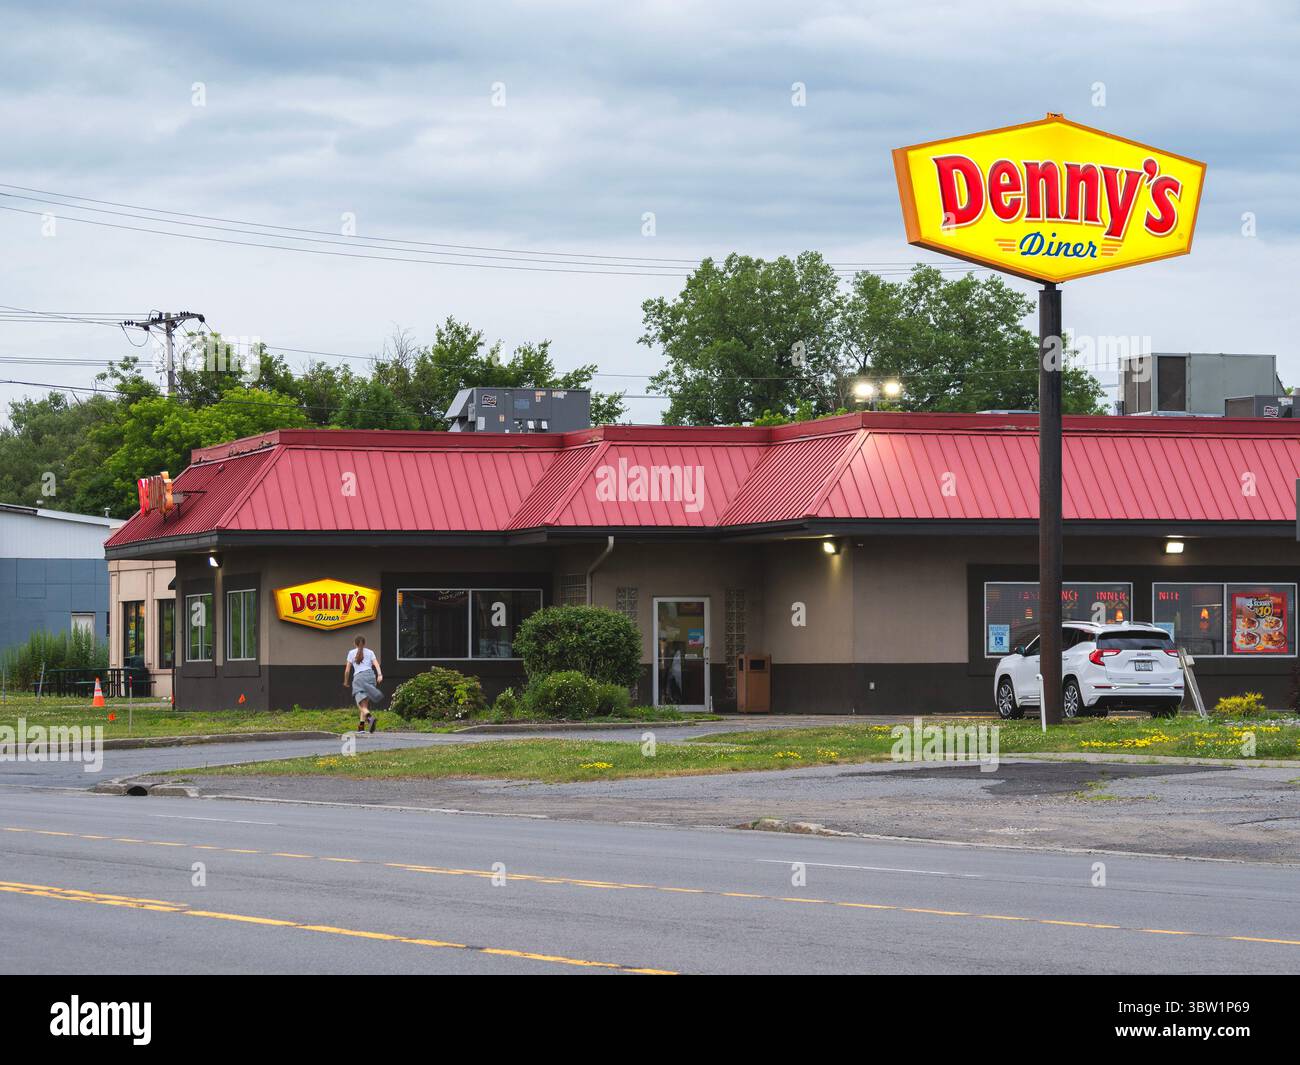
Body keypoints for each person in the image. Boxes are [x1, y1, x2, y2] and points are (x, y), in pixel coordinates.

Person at [343, 635, 383, 733]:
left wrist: (346, 681)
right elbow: (376, 664)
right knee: (364, 703)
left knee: (359, 703)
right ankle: (361, 727)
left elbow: (347, 670)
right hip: (371, 676)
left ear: (354, 643)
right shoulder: (370, 652)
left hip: (359, 678)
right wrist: (380, 675)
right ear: (364, 643)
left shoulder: (351, 653)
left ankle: (370, 718)